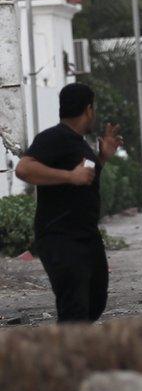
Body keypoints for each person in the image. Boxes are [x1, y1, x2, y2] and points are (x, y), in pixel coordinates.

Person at [15, 83, 123, 323]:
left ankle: (69, 351)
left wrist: (102, 157)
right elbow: (23, 168)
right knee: (74, 308)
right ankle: (66, 357)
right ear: (88, 109)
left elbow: (85, 178)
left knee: (95, 301)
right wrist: (69, 176)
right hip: (60, 237)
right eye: (92, 108)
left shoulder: (79, 143)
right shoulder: (54, 137)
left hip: (85, 235)